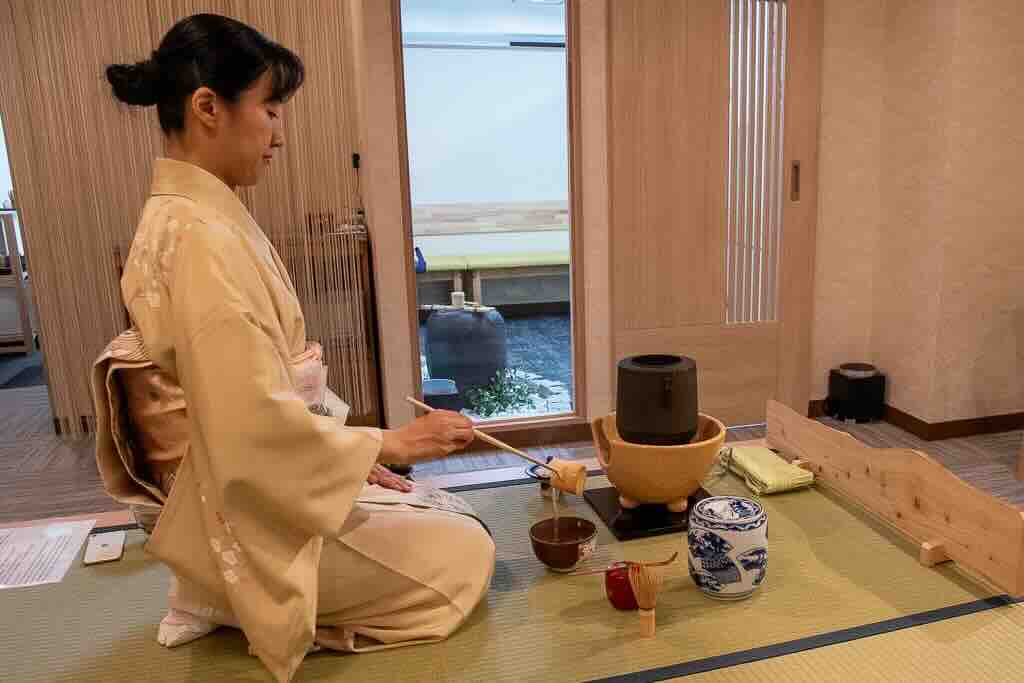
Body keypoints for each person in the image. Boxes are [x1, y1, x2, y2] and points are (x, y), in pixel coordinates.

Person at [95, 14, 494, 682]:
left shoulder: (194, 214)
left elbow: (262, 396)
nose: (280, 133)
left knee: (450, 512)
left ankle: (214, 582)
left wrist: (351, 459)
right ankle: (229, 592)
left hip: (248, 474)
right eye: (271, 109)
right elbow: (250, 424)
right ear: (207, 108)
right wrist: (389, 443)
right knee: (466, 555)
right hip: (242, 503)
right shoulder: (198, 237)